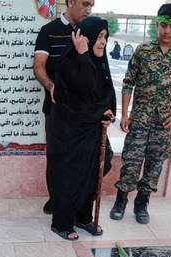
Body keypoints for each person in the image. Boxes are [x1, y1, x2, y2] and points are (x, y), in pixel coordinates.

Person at [110, 3, 171, 224]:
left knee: (154, 166)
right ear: (158, 24)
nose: (166, 30)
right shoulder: (143, 51)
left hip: (163, 124)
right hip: (139, 119)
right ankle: (121, 201)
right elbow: (129, 83)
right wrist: (125, 114)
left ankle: (142, 204)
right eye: (163, 25)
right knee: (131, 162)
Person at [48, 16, 116, 241]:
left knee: (95, 171)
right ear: (83, 38)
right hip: (69, 135)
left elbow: (105, 96)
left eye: (106, 37)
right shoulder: (69, 64)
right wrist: (83, 54)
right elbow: (82, 96)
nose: (104, 42)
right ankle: (62, 223)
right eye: (99, 37)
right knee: (70, 177)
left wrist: (109, 115)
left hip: (92, 133)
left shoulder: (101, 64)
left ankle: (83, 217)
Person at [34, 0, 95, 215]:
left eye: (92, 5)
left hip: (84, 114)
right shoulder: (48, 31)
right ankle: (56, 199)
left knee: (82, 160)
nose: (89, 9)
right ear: (70, 2)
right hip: (56, 110)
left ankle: (75, 202)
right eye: (85, 4)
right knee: (57, 159)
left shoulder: (91, 31)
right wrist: (51, 86)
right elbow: (39, 66)